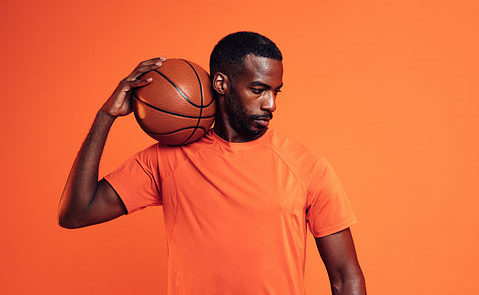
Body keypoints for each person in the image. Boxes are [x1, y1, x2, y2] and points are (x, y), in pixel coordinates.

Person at [58, 31, 366, 295]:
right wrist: (105, 116)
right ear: (221, 83)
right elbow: (75, 213)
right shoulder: (166, 158)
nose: (270, 104)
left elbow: (344, 277)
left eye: (275, 92)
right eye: (258, 90)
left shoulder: (307, 166)